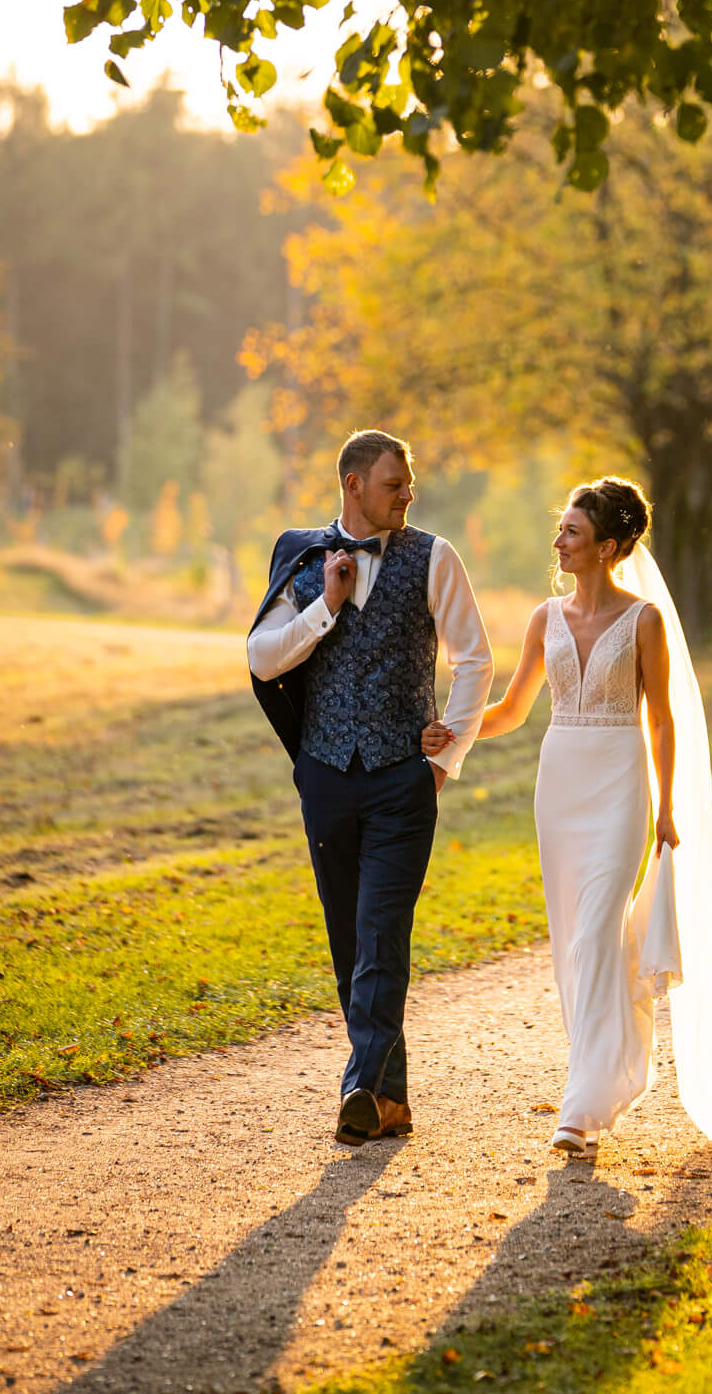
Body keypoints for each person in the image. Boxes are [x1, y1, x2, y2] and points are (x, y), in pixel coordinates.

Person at [422, 476, 712, 1154]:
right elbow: (514, 710)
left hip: (620, 787)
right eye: (561, 529)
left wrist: (668, 807)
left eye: (573, 532)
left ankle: (581, 1105)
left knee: (595, 932)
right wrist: (455, 731)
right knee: (574, 941)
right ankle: (607, 1075)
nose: (559, 542)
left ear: (608, 547)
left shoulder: (644, 621)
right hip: (560, 789)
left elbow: (662, 721)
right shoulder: (545, 618)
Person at [248, 427, 494, 1148]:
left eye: (410, 484)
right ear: (354, 485)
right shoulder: (302, 557)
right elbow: (262, 658)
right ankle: (389, 1100)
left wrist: (447, 752)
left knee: (382, 933)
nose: (408, 495)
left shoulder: (434, 556)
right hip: (325, 777)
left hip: (401, 781)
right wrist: (325, 607)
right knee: (349, 939)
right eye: (395, 484)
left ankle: (357, 1086)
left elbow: (475, 659)